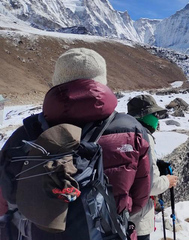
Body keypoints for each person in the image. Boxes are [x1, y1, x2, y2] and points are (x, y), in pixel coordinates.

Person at [0, 47, 151, 240]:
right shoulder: (133, 131)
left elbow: (4, 200)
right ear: (102, 82)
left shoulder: (23, 134)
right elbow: (140, 200)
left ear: (57, 82)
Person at [127, 94, 178, 240]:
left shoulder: (120, 132)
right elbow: (152, 185)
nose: (157, 119)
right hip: (138, 219)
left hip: (113, 215)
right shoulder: (144, 137)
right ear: (144, 115)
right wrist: (168, 181)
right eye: (155, 114)